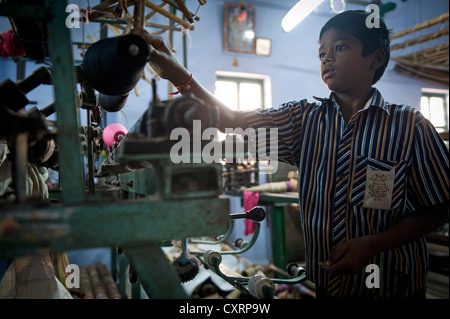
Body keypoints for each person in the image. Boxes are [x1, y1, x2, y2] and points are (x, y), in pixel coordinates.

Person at [133, 10, 449, 299]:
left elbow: (439, 208)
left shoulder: (409, 126)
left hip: (393, 286)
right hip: (330, 285)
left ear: (375, 58)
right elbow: (233, 120)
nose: (327, 59)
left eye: (340, 47)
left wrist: (373, 245)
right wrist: (179, 76)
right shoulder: (304, 120)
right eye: (321, 53)